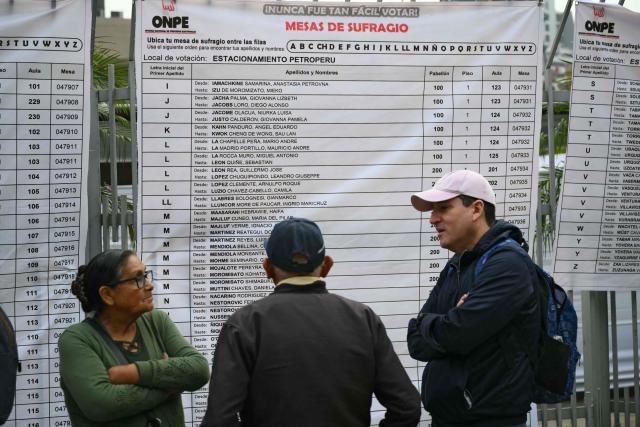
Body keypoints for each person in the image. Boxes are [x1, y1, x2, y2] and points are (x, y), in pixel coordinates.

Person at [201, 217, 421, 427]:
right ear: (326, 265)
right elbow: (406, 407)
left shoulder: (245, 324)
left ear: (267, 268)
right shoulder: (363, 318)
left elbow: (219, 419)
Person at [407, 170, 540, 427]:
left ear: (476, 209)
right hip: (451, 418)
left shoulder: (508, 263)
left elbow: (456, 333)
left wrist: (436, 323)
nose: (433, 219)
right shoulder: (459, 263)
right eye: (433, 210)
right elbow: (415, 342)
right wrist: (443, 321)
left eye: (443, 208)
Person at [59, 250, 209, 426]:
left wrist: (133, 373)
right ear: (107, 294)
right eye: (137, 279)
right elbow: (101, 404)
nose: (149, 285)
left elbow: (199, 370)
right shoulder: (77, 339)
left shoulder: (157, 322)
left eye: (145, 275)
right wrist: (170, 385)